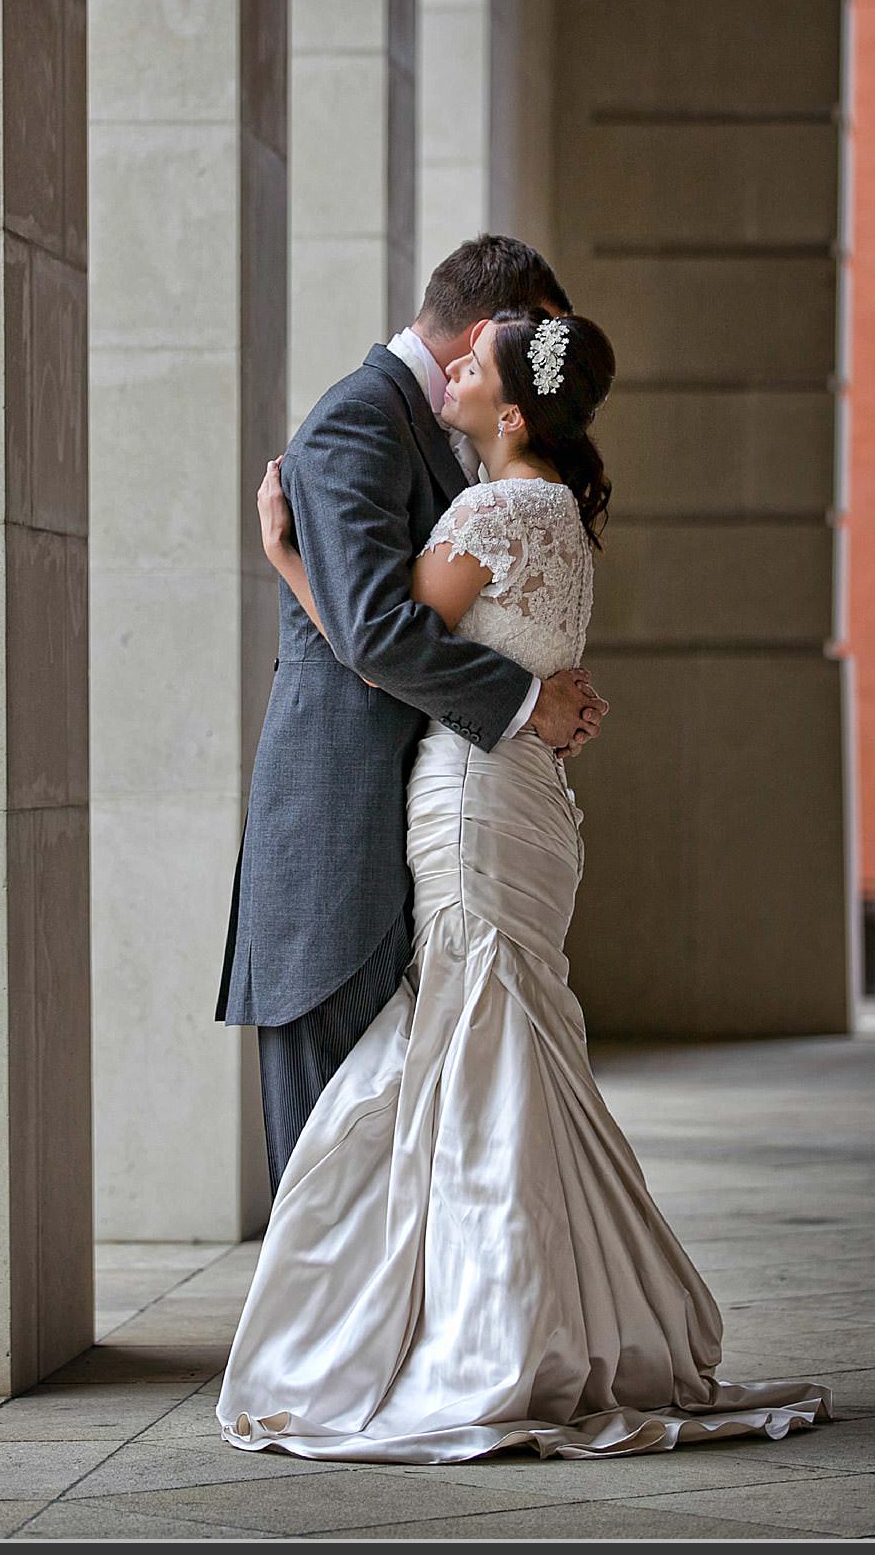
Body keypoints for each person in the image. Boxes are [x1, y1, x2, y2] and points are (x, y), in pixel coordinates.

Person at [217, 311, 833, 1460]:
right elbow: (512, 657)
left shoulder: (491, 508)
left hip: (472, 796)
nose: (449, 368)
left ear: (510, 414)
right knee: (507, 1049)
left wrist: (287, 558)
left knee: (478, 1051)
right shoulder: (558, 514)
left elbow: (375, 639)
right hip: (530, 802)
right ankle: (534, 1318)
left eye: (474, 364)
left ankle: (486, 1331)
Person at [218, 237, 607, 1191]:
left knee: (389, 1158)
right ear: (488, 334)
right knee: (332, 1162)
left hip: (428, 833)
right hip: (337, 851)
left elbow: (396, 626)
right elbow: (375, 635)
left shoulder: (472, 465)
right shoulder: (357, 421)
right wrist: (525, 699)